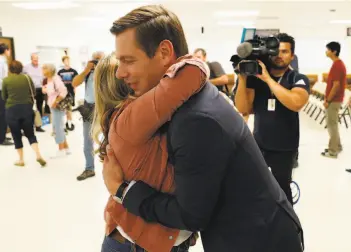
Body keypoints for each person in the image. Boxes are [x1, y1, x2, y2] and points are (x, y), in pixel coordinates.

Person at [102, 5, 304, 252]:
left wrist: (123, 191)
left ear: (164, 52)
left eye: (128, 60)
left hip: (257, 241)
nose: (120, 72)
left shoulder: (195, 120)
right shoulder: (191, 97)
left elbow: (191, 216)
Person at [93, 53, 207, 252]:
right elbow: (194, 72)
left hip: (129, 234)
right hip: (141, 243)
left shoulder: (129, 120)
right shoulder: (132, 117)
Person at [234, 33, 310, 205]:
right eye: (276, 51)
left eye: (284, 51)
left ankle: (288, 228)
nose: (279, 55)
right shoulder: (257, 80)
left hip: (284, 148)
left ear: (292, 55)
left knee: (282, 191)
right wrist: (242, 78)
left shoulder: (297, 78)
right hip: (259, 144)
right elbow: (243, 108)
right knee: (256, 189)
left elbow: (296, 103)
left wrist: (268, 79)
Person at [2, 60, 46, 166]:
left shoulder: (6, 80)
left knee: (16, 135)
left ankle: (21, 160)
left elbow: (4, 96)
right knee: (30, 134)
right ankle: (38, 155)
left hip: (12, 111)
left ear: (10, 69)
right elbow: (34, 92)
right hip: (26, 109)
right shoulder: (27, 78)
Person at [72, 51, 104, 181]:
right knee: (87, 141)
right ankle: (89, 168)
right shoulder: (88, 73)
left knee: (110, 140)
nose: (96, 62)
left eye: (99, 59)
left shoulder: (107, 71)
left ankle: (114, 170)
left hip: (103, 108)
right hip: (88, 109)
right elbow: (74, 83)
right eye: (95, 59)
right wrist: (86, 70)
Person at [321, 41, 346, 158]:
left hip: (334, 100)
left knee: (332, 125)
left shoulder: (337, 65)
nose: (326, 52)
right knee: (333, 124)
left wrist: (328, 100)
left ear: (334, 51)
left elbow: (336, 85)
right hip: (335, 99)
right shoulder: (337, 64)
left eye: (327, 49)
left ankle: (333, 151)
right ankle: (337, 146)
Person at [42, 63, 70, 158]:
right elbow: (52, 92)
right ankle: (66, 148)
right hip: (53, 106)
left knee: (57, 128)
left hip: (57, 106)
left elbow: (64, 91)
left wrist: (56, 102)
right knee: (58, 126)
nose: (42, 71)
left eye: (44, 69)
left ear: (49, 70)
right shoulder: (49, 79)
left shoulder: (55, 79)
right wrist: (45, 90)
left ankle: (61, 149)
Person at [23, 53, 46, 132]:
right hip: (30, 90)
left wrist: (45, 86)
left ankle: (38, 126)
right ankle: (29, 126)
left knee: (39, 107)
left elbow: (44, 78)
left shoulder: (41, 67)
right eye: (34, 60)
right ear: (31, 59)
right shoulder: (26, 67)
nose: (36, 61)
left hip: (40, 89)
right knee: (29, 108)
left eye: (37, 60)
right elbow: (22, 77)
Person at [57, 56, 78, 130]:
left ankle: (69, 123)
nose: (67, 62)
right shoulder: (60, 72)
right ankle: (63, 124)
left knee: (69, 109)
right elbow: (57, 83)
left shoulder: (74, 71)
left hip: (70, 92)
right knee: (63, 109)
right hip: (62, 93)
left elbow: (77, 81)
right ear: (63, 61)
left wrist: (75, 88)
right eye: (65, 60)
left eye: (68, 60)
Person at [0, 43, 14, 146]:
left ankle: (3, 136)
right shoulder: (1, 62)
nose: (9, 52)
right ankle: (2, 139)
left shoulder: (2, 61)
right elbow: (3, 79)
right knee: (2, 115)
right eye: (8, 50)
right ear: (5, 51)